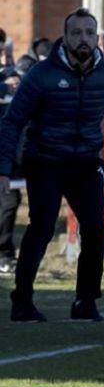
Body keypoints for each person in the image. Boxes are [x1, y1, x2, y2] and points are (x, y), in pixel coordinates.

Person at [0, 7, 104, 322]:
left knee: (95, 231)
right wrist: (3, 168)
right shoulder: (42, 73)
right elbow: (12, 122)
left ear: (97, 37)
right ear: (66, 37)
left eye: (89, 32)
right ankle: (22, 302)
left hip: (86, 162)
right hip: (44, 160)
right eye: (76, 33)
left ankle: (86, 301)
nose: (83, 39)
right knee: (42, 228)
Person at [0, 69, 21, 274]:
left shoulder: (10, 74)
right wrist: (4, 88)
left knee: (10, 200)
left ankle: (5, 254)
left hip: (9, 155)